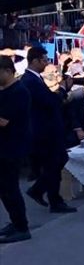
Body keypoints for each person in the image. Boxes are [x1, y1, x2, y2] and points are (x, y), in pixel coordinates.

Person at [21, 46, 74, 213]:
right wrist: (63, 90)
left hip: (49, 130)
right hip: (44, 132)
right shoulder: (29, 80)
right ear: (35, 61)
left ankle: (47, 194)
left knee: (57, 162)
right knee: (54, 164)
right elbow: (48, 101)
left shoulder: (35, 79)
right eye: (44, 60)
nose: (46, 63)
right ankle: (48, 195)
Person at [0, 56, 32, 244]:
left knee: (10, 188)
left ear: (7, 71)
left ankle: (22, 226)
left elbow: (4, 121)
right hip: (4, 147)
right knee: (4, 189)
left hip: (12, 147)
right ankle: (15, 221)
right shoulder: (5, 91)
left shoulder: (19, 92)